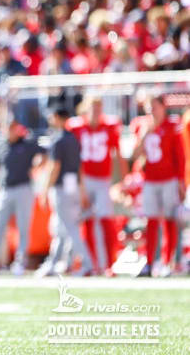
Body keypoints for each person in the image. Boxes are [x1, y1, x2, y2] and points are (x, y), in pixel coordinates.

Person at [0, 117, 47, 277]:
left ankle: (20, 263)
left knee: (23, 228)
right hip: (5, 189)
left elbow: (44, 153)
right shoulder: (1, 144)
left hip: (23, 188)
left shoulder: (27, 144)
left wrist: (35, 168)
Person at [67, 97, 126, 275]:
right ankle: (90, 264)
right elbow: (73, 159)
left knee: (106, 219)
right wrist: (79, 186)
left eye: (99, 107)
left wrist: (122, 182)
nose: (96, 111)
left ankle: (109, 264)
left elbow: (118, 154)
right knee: (85, 221)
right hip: (83, 179)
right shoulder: (75, 127)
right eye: (93, 107)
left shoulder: (110, 126)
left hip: (103, 179)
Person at [36, 107, 94, 277]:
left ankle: (86, 262)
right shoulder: (73, 139)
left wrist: (45, 190)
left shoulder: (59, 140)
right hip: (72, 185)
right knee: (61, 227)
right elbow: (79, 167)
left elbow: (55, 167)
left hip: (61, 186)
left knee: (68, 226)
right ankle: (55, 262)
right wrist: (82, 190)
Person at [131, 95, 185, 277]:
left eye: (154, 106)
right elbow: (134, 154)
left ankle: (168, 262)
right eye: (149, 107)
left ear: (163, 107)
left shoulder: (172, 125)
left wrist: (181, 181)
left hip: (169, 179)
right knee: (152, 220)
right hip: (150, 180)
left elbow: (180, 156)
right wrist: (144, 135)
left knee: (170, 220)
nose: (151, 111)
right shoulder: (143, 125)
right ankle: (150, 262)